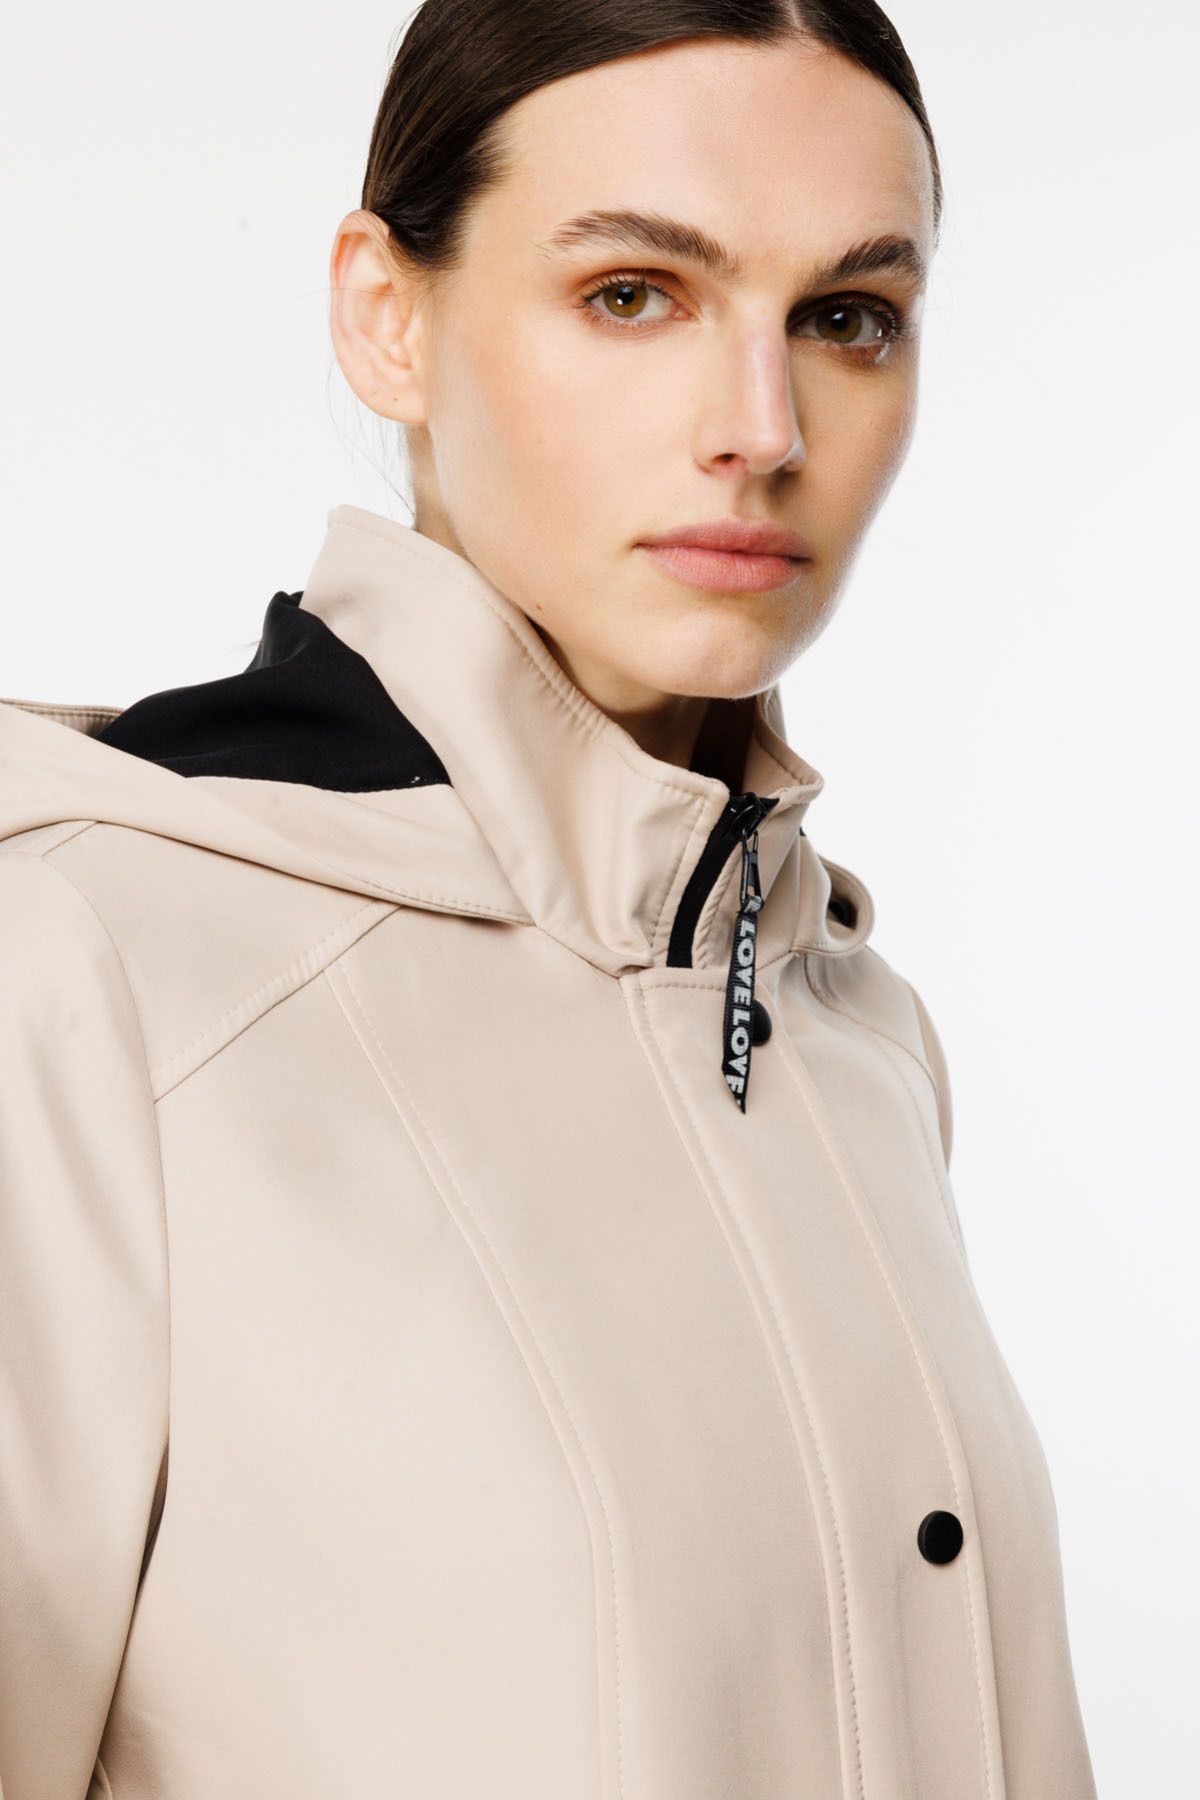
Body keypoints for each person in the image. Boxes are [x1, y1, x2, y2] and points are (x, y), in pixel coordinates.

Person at [0, 3, 1098, 1796]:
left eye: (846, 317)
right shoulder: (82, 974)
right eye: (633, 294)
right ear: (389, 314)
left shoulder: (852, 1031)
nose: (759, 429)